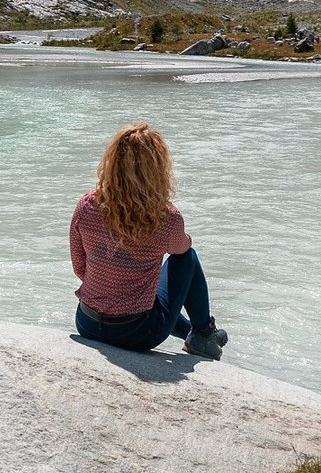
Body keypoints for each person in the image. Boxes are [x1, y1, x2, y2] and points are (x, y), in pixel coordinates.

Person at [69, 121, 228, 360]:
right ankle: (204, 332)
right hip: (137, 334)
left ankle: (199, 334)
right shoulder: (166, 218)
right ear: (157, 170)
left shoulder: (86, 206)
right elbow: (182, 247)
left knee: (141, 298)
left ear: (111, 163)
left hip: (87, 323)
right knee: (186, 258)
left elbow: (80, 268)